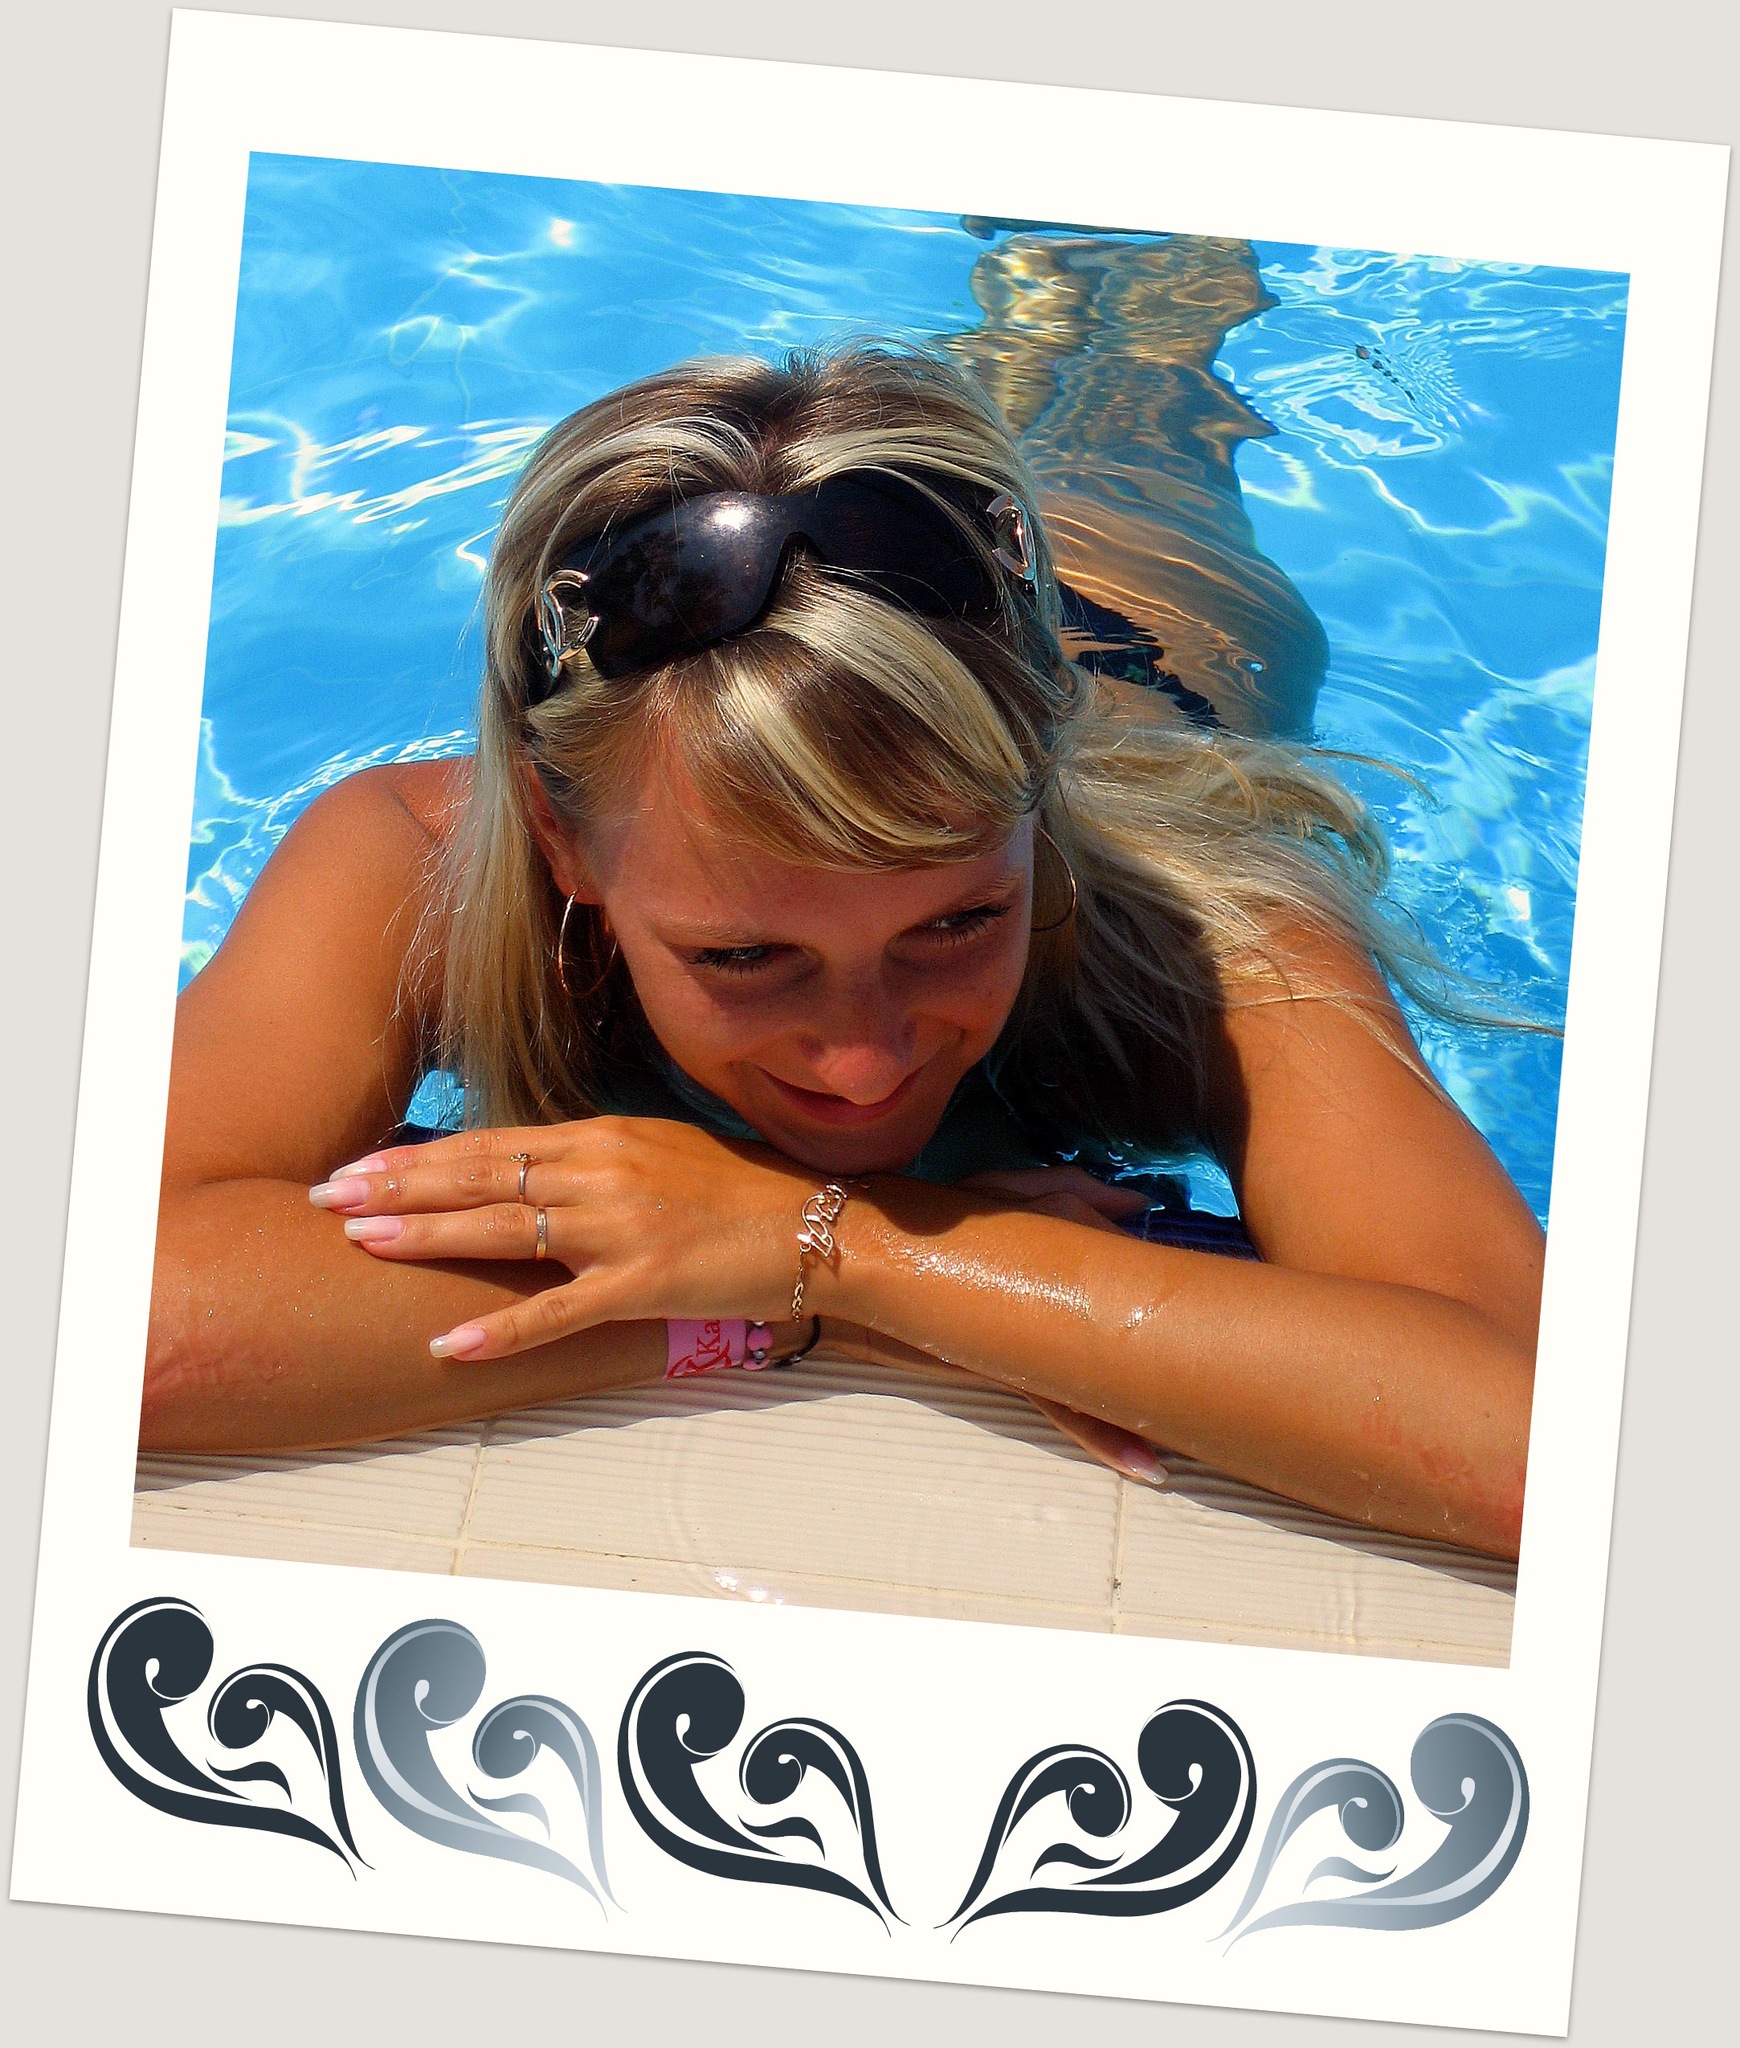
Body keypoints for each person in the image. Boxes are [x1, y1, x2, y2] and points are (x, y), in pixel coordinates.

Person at [146, 342, 1542, 1562]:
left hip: (1172, 654)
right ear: (563, 844)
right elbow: (123, 1314)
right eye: (744, 958)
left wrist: (843, 1254)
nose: (864, 1060)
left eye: (959, 922)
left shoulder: (1216, 937)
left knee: (1146, 397)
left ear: (1040, 807)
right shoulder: (414, 867)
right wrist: (823, 1291)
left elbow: (1543, 1436)